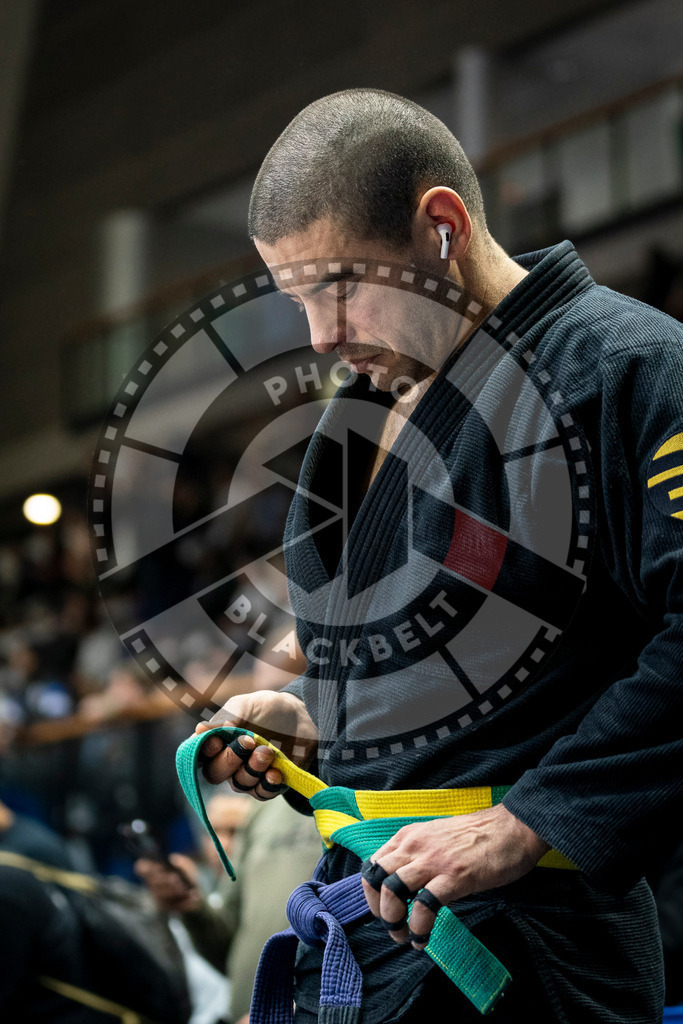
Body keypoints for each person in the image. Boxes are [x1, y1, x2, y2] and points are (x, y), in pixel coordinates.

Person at [195, 88, 683, 1022]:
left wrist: (532, 820)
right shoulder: (356, 417)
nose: (321, 336)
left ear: (442, 227)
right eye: (298, 301)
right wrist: (319, 719)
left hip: (525, 951)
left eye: (338, 288)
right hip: (364, 931)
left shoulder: (623, 368)